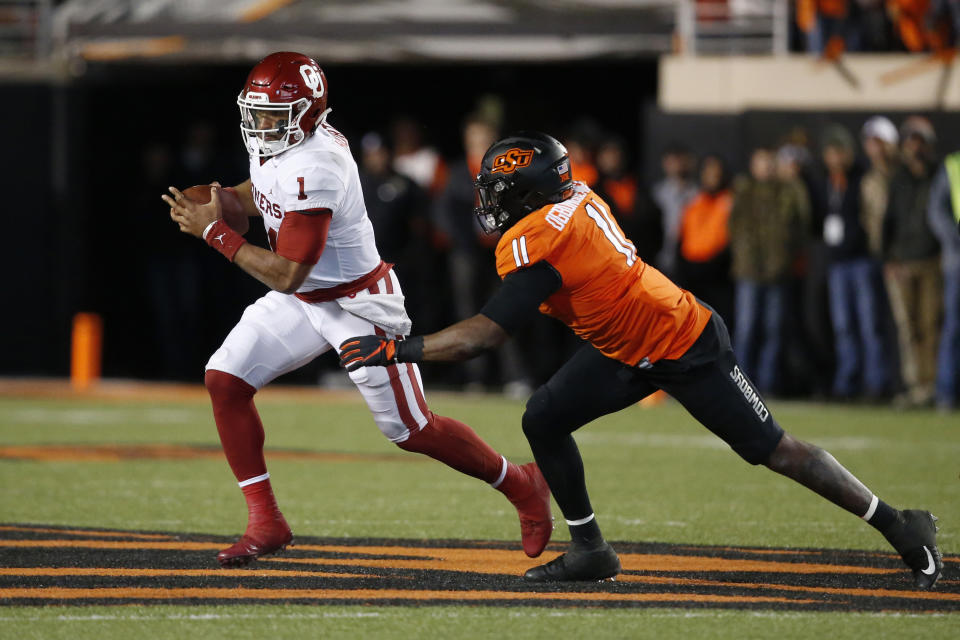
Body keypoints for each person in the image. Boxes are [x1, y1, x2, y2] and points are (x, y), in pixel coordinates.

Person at [337, 132, 942, 589]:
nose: (489, 202)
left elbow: (484, 336)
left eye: (499, 191)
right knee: (543, 417)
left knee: (775, 450)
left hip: (684, 343)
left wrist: (398, 349)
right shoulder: (573, 196)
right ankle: (591, 549)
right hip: (623, 347)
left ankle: (899, 524)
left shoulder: (541, 237)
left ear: (528, 193)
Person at [161, 52, 551, 567]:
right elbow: (264, 192)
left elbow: (287, 272)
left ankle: (520, 482)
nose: (260, 126)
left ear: (306, 114)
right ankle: (266, 521)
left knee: (411, 429)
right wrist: (222, 200)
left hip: (356, 302)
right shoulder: (289, 143)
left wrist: (214, 231)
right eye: (255, 113)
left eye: (274, 117)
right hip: (307, 299)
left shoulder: (316, 165)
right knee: (225, 379)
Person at [728, 147, 810, 394]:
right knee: (746, 328)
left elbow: (802, 223)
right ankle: (741, 384)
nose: (766, 167)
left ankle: (767, 383)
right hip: (749, 271)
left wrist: (784, 259)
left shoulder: (787, 191)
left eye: (769, 163)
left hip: (778, 272)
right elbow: (733, 228)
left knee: (773, 329)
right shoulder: (743, 191)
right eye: (761, 162)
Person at [820, 124, 889, 400]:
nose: (835, 157)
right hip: (838, 263)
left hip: (862, 260)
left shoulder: (863, 177)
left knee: (869, 324)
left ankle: (876, 383)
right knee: (844, 326)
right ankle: (847, 382)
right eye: (830, 152)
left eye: (839, 151)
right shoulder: (827, 181)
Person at [883, 117, 942, 407]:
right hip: (903, 262)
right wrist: (888, 259)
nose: (915, 147)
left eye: (920, 141)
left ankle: (932, 385)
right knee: (908, 328)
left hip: (932, 261)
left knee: (931, 325)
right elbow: (888, 221)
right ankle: (914, 384)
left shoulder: (939, 175)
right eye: (911, 140)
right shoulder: (899, 179)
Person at [675, 154, 734, 327]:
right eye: (708, 172)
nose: (712, 177)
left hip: (719, 277)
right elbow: (682, 236)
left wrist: (714, 264)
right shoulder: (694, 202)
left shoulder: (730, 202)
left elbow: (731, 241)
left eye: (716, 173)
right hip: (692, 277)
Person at [928, 148, 960, 410]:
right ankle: (946, 393)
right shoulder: (953, 165)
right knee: (954, 326)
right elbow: (937, 210)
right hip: (957, 261)